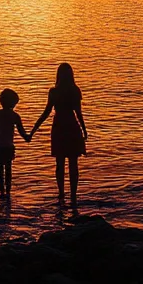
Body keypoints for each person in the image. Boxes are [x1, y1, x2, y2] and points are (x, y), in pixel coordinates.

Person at [30, 62, 88, 206]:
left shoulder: (54, 92)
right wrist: (84, 129)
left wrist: (33, 130)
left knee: (59, 164)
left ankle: (61, 194)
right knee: (73, 164)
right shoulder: (75, 90)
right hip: (72, 127)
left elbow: (46, 113)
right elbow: (78, 113)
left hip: (59, 128)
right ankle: (73, 196)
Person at [0, 88, 29, 198]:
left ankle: (1, 191)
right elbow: (22, 133)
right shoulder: (15, 116)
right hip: (9, 147)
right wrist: (28, 138)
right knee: (8, 169)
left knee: (0, 168)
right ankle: (8, 191)